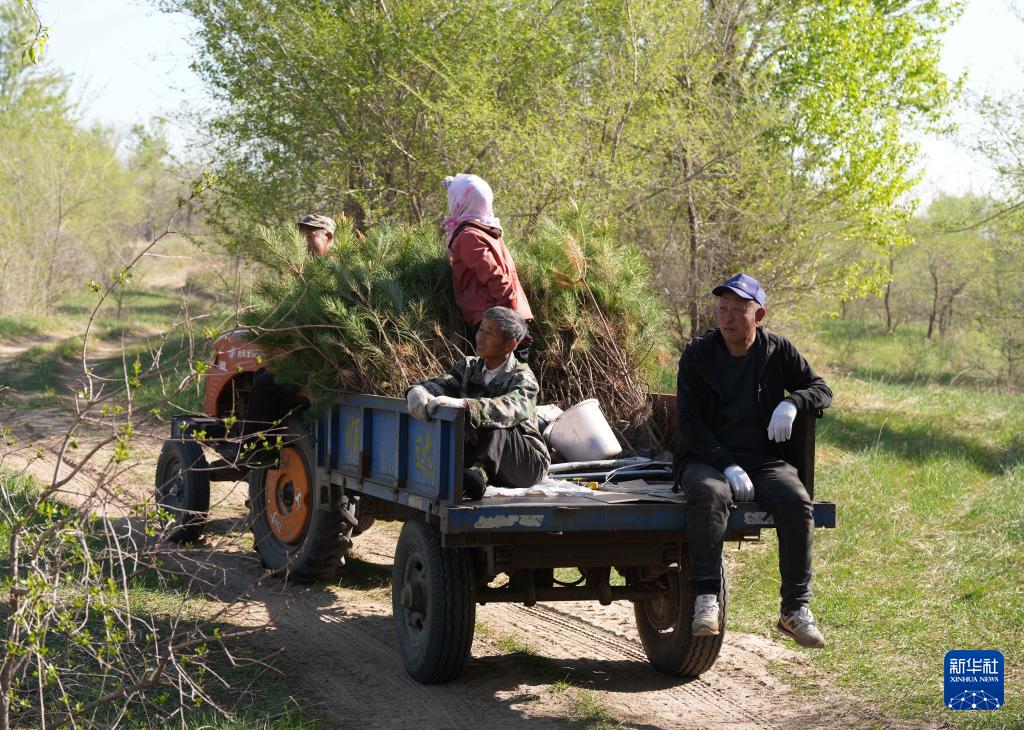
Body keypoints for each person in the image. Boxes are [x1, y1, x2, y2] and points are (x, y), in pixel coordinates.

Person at [675, 273, 832, 648]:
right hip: (706, 457)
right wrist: (726, 464)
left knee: (796, 500)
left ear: (758, 314)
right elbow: (690, 424)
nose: (728, 318)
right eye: (722, 309)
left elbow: (821, 389)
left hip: (762, 460)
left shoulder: (777, 351)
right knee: (710, 495)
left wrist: (792, 402)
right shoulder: (698, 355)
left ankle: (794, 609)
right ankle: (706, 598)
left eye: (738, 310)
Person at [406, 306, 549, 499]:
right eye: (481, 329)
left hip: (524, 465)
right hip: (479, 452)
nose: (480, 337)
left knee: (498, 420)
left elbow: (511, 409)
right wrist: (417, 391)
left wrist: (467, 405)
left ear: (509, 344)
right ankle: (473, 473)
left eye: (489, 333)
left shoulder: (523, 378)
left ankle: (480, 474)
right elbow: (442, 384)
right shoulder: (469, 366)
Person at [231, 214, 336, 463]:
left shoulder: (332, 272)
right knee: (263, 373)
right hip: (312, 357)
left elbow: (319, 326)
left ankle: (258, 454)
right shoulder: (306, 273)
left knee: (264, 385)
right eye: (300, 238)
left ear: (328, 237)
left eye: (310, 236)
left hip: (323, 364)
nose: (303, 244)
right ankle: (270, 437)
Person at [442, 174, 534, 360]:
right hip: (507, 315)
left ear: (459, 202)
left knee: (495, 381)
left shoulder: (468, 235)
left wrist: (510, 318)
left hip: (496, 321)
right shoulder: (490, 232)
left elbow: (495, 276)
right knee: (511, 379)